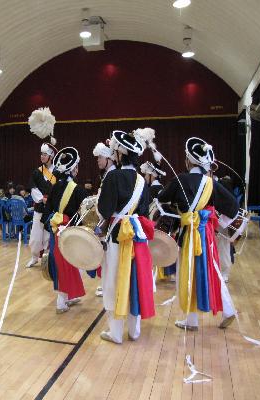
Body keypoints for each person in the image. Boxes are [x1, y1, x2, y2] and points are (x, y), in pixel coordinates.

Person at [158, 137, 239, 331]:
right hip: (206, 235)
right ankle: (225, 310)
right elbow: (234, 207)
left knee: (187, 274)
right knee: (211, 271)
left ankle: (192, 319)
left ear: (188, 160)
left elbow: (162, 198)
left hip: (188, 234)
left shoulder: (180, 179)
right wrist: (218, 223)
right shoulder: (211, 183)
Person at [97, 129, 156, 344]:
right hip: (137, 237)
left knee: (113, 280)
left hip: (116, 236)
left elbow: (105, 209)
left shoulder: (113, 177)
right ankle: (134, 331)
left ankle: (115, 332)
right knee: (134, 280)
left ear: (120, 155)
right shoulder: (142, 180)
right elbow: (144, 211)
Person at [41, 147, 87, 313]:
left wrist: (53, 227)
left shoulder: (53, 187)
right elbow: (83, 216)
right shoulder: (79, 190)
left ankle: (68, 297)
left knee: (61, 265)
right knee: (69, 265)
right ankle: (61, 302)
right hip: (71, 234)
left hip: (56, 231)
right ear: (73, 169)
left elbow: (46, 214)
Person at [90, 139, 118, 297]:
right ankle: (105, 284)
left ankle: (109, 285)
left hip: (109, 222)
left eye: (100, 157)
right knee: (105, 256)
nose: (98, 160)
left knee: (109, 256)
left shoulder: (112, 175)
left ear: (108, 158)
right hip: (104, 220)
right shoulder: (107, 175)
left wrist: (101, 224)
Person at [26, 142, 58, 268]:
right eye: (41, 154)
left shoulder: (57, 172)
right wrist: (41, 199)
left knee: (47, 237)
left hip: (51, 210)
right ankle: (34, 257)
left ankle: (46, 259)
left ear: (51, 156)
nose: (42, 156)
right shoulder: (37, 172)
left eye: (45, 154)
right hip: (39, 208)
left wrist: (50, 200)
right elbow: (32, 187)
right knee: (35, 236)